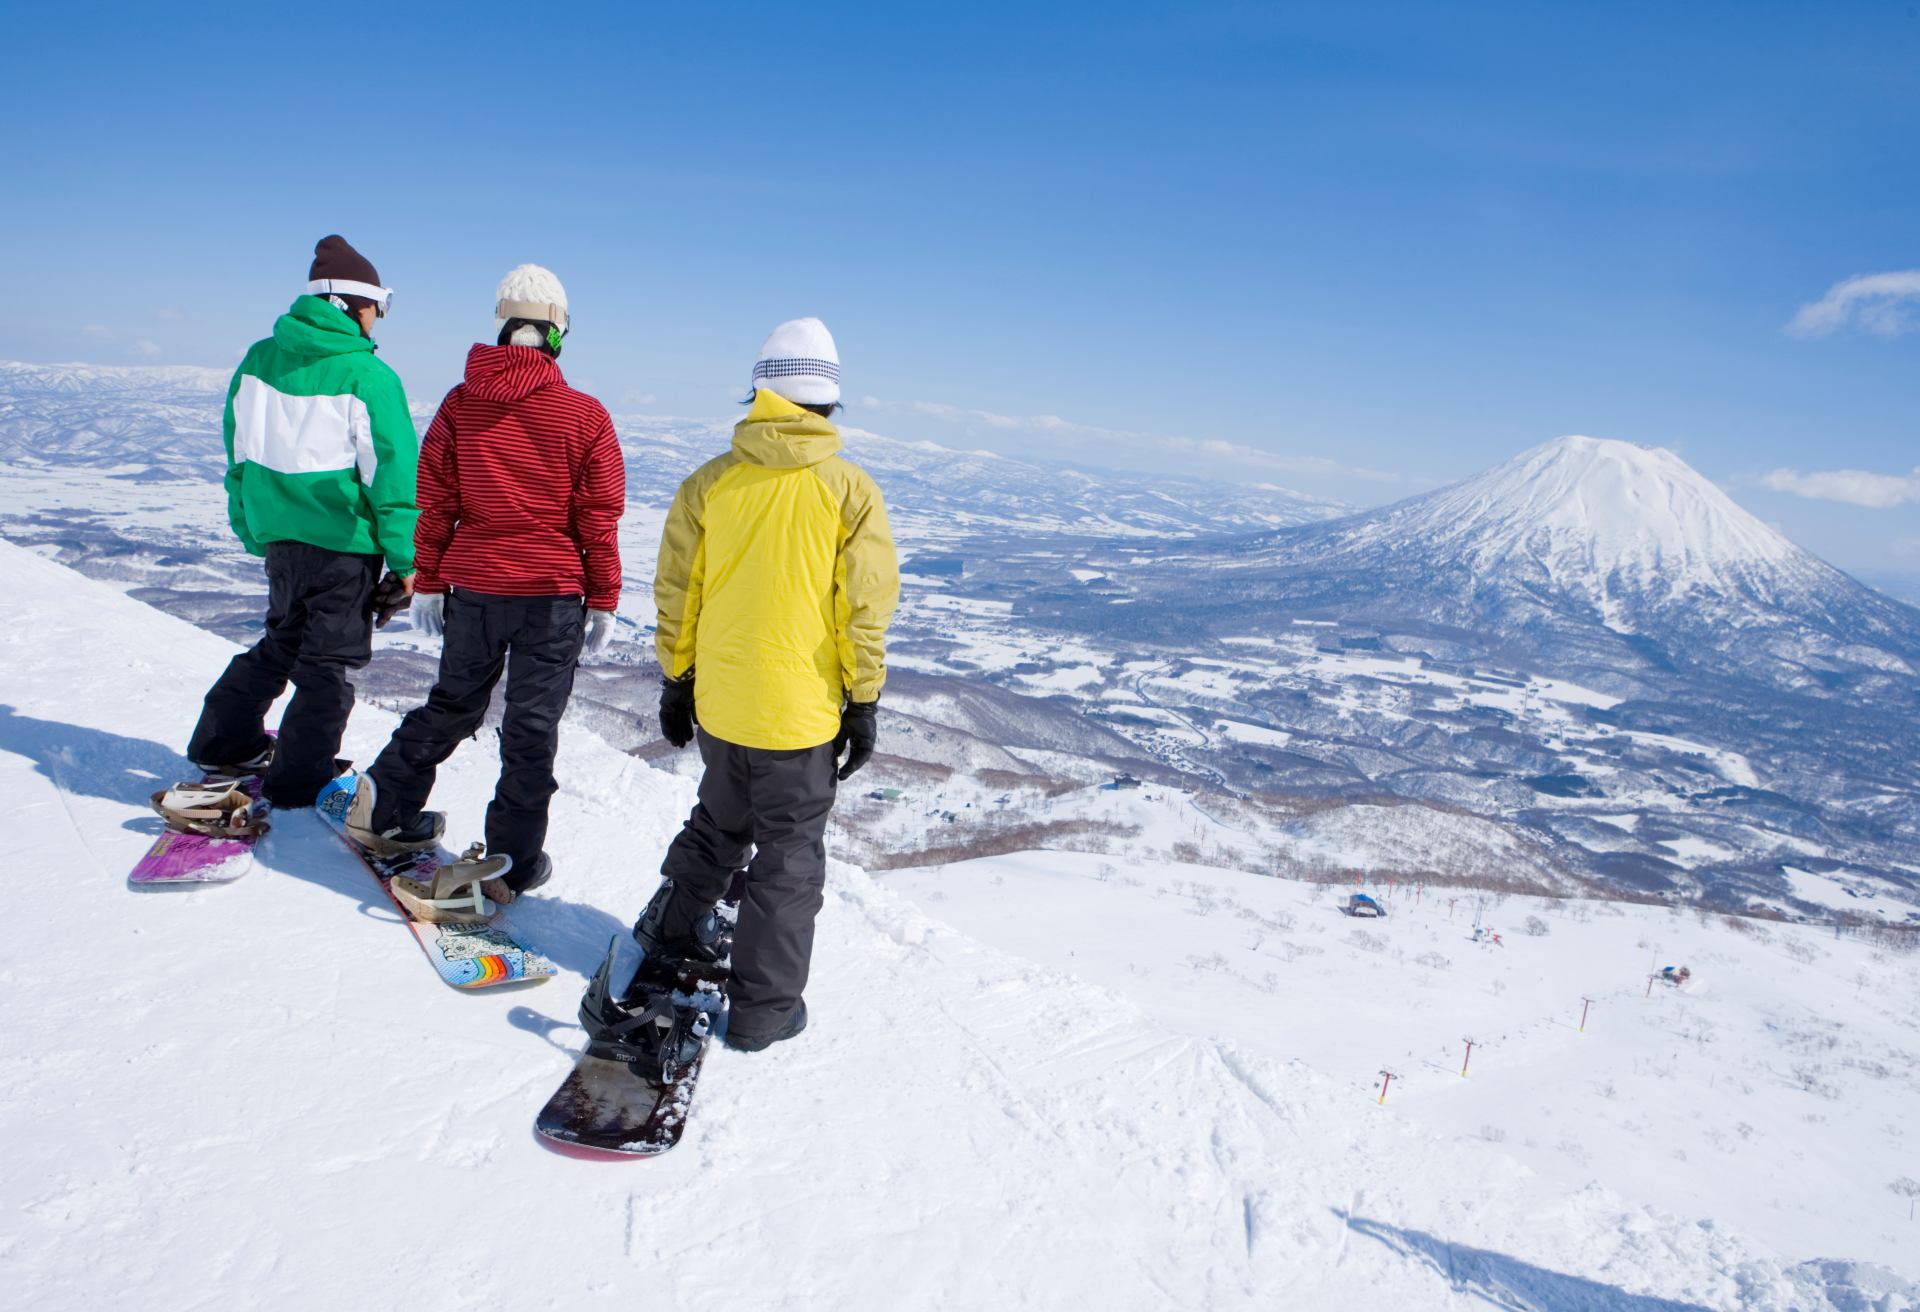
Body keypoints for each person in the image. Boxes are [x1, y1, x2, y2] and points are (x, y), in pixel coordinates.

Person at [635, 316, 899, 1052]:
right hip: (801, 718)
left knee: (719, 824)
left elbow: (676, 592)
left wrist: (676, 680)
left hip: (723, 705)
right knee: (788, 856)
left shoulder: (709, 484)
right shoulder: (850, 491)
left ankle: (670, 932)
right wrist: (864, 699)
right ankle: (762, 1011)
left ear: (760, 393)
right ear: (828, 403)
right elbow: (864, 608)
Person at [345, 264, 625, 908]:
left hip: (473, 589)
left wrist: (432, 582)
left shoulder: (460, 402)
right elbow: (598, 516)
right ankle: (508, 867)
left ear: (502, 329)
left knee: (453, 704)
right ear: (558, 334)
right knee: (530, 731)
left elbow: (435, 498)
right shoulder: (584, 415)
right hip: (551, 596)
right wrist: (604, 595)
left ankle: (384, 806)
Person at [186, 235, 416, 809]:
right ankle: (297, 781)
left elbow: (238, 455)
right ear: (346, 303)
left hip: (282, 541)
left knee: (281, 643)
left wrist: (251, 528)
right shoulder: (369, 377)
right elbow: (392, 479)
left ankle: (222, 741)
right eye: (376, 306)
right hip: (342, 546)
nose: (377, 319)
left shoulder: (259, 359)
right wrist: (408, 561)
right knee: (327, 667)